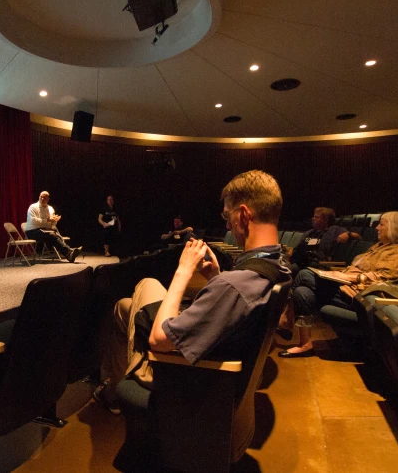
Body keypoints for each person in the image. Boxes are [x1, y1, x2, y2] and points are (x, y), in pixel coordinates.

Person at [94, 170, 290, 414]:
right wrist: (215, 278)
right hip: (218, 363)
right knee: (124, 307)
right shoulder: (279, 265)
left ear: (243, 214)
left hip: (184, 376)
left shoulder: (235, 284)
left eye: (228, 216)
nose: (227, 224)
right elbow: (235, 309)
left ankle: (120, 389)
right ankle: (114, 391)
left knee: (147, 283)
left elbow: (160, 341)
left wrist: (183, 271)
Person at [278, 211, 398, 357]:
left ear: (396, 228)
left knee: (304, 274)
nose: (377, 227)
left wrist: (348, 276)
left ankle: (287, 319)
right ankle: (305, 344)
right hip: (346, 288)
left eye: (381, 224)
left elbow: (384, 277)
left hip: (362, 298)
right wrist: (339, 275)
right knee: (302, 291)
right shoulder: (379, 247)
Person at [288, 207, 348, 275]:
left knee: (301, 273)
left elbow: (358, 236)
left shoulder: (335, 230)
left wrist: (348, 234)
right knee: (285, 270)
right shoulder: (309, 233)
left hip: (320, 266)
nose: (313, 219)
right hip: (302, 263)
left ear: (326, 220)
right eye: (314, 216)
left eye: (316, 217)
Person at [24, 191, 82, 262]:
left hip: (44, 231)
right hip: (31, 231)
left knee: (54, 235)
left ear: (48, 199)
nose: (42, 199)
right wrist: (47, 220)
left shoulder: (50, 209)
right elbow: (33, 220)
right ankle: (69, 252)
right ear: (39, 197)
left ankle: (70, 253)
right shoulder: (33, 207)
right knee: (52, 235)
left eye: (44, 198)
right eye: (41, 197)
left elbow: (52, 224)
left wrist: (55, 220)